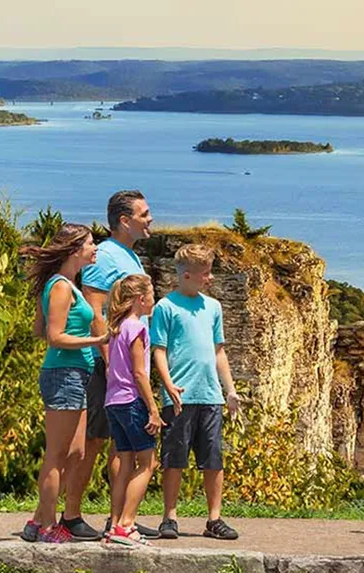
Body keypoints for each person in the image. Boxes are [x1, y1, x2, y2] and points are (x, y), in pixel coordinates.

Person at [60, 190, 160, 541]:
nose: (150, 219)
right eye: (144, 214)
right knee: (95, 440)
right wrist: (109, 360)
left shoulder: (128, 255)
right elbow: (95, 308)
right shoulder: (105, 257)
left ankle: (119, 518)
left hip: (124, 366)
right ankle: (71, 514)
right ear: (124, 220)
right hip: (109, 366)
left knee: (123, 444)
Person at [20, 224, 108, 543]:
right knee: (56, 454)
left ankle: (37, 520)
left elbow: (39, 329)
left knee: (77, 452)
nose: (95, 247)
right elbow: (54, 337)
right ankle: (47, 528)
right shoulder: (61, 287)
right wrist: (96, 338)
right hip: (64, 375)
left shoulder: (68, 284)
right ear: (74, 250)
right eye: (90, 243)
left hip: (76, 374)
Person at [151, 244, 241, 541]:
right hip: (179, 397)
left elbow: (219, 352)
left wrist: (229, 390)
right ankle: (169, 517)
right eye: (205, 274)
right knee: (174, 458)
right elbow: (159, 351)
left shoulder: (213, 307)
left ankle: (214, 518)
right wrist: (167, 385)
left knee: (213, 459)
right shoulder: (166, 307)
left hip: (210, 396)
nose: (210, 278)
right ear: (187, 275)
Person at [102, 274, 164, 547]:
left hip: (113, 402)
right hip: (131, 401)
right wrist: (152, 408)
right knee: (148, 463)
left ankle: (115, 524)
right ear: (141, 299)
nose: (154, 299)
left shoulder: (116, 327)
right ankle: (127, 523)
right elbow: (139, 372)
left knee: (125, 463)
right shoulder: (137, 328)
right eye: (152, 295)